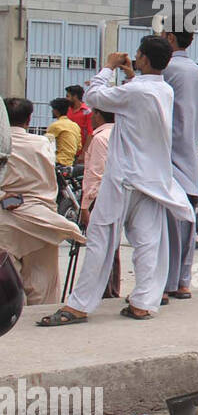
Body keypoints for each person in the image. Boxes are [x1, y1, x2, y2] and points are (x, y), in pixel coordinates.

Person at [37, 39, 194, 324]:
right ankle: (144, 303)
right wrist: (132, 73)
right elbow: (139, 91)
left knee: (101, 238)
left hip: (123, 178)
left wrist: (108, 67)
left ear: (144, 60)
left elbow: (95, 97)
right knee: (147, 241)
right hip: (151, 179)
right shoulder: (164, 90)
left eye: (137, 58)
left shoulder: (134, 91)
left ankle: (80, 305)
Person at [0, 97, 86, 304]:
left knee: (5, 278)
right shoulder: (42, 144)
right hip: (41, 218)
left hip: (5, 219)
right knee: (43, 282)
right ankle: (41, 316)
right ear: (29, 119)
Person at [162, 28, 198, 301]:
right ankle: (183, 281)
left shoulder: (167, 69)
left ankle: (166, 283)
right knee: (186, 220)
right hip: (189, 153)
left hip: (168, 153)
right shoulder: (196, 70)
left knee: (166, 225)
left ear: (170, 37)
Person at [80, 107, 120, 297]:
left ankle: (100, 291)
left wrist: (85, 206)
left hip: (100, 198)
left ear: (99, 115)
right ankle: (111, 290)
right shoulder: (121, 134)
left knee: (99, 246)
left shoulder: (99, 138)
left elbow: (95, 175)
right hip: (117, 196)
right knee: (113, 246)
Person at [44, 98, 81, 167]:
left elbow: (46, 144)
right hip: (71, 162)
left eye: (53, 109)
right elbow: (78, 147)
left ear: (56, 111)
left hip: (58, 162)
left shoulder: (55, 126)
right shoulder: (75, 126)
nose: (52, 111)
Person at [65, 84, 94, 156]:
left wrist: (84, 153)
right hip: (67, 150)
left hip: (79, 152)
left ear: (75, 97)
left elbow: (90, 133)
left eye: (68, 96)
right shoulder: (66, 110)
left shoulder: (87, 111)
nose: (66, 99)